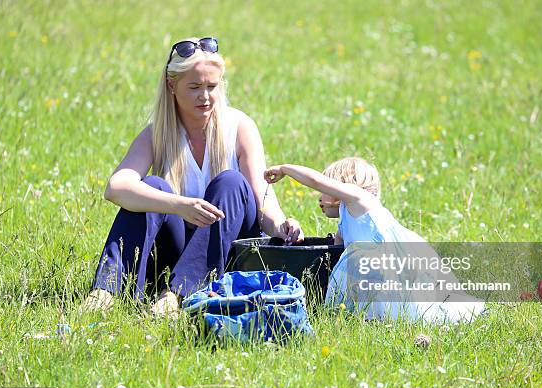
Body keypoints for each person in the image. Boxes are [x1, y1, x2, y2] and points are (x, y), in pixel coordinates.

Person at [81, 37, 303, 317]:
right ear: (172, 85)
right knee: (150, 187)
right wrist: (178, 204)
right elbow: (116, 187)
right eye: (195, 87)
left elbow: (262, 202)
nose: (206, 96)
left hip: (227, 253)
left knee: (231, 182)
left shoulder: (239, 126)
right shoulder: (157, 133)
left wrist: (281, 226)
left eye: (212, 86)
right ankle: (105, 291)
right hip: (174, 252)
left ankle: (178, 295)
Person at [264, 157, 485, 323]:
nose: (319, 198)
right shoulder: (344, 218)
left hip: (392, 266)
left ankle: (396, 320)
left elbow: (314, 180)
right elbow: (331, 252)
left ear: (341, 188)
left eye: (325, 190)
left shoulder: (358, 200)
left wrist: (285, 169)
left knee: (403, 305)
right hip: (375, 271)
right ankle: (373, 320)